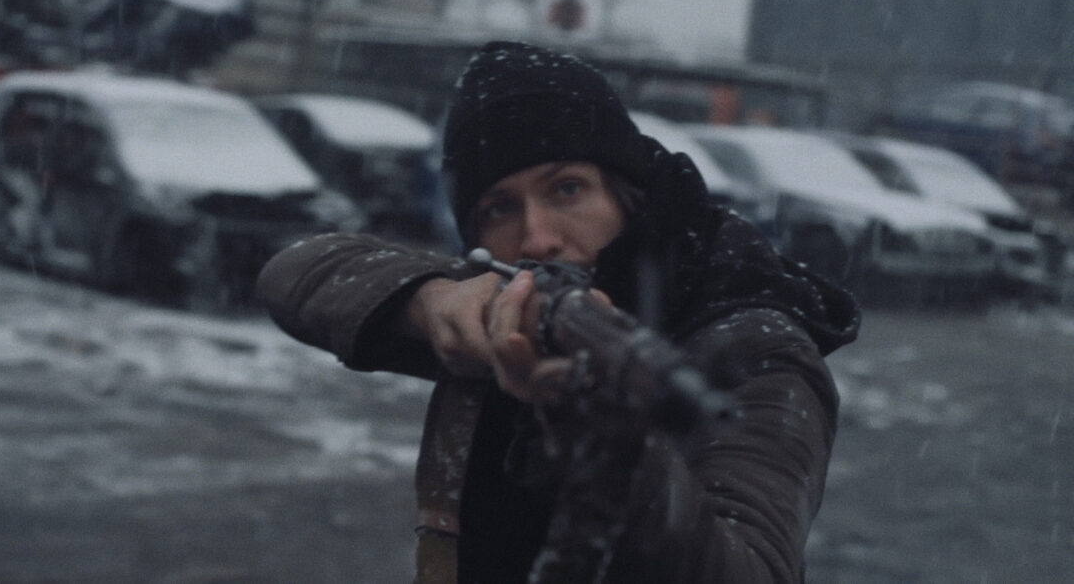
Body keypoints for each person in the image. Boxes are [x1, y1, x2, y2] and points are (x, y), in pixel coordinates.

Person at [256, 41, 860, 583]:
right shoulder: (505, 300)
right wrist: (430, 302)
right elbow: (295, 273)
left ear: (626, 194)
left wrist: (609, 439)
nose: (538, 237)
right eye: (499, 207)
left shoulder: (756, 343)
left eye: (566, 189)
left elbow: (749, 572)